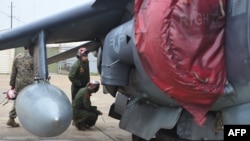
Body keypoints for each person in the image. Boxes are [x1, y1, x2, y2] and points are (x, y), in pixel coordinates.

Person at [7, 45, 34, 127]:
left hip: (19, 83)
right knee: (32, 101)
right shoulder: (34, 57)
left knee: (18, 100)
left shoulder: (17, 57)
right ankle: (30, 120)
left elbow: (13, 72)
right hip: (30, 83)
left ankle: (11, 118)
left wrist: (12, 84)